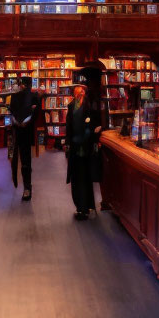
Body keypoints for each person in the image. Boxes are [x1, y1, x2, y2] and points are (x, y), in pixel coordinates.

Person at [65, 68, 107, 220]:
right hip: (75, 148)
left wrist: (93, 132)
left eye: (82, 88)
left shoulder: (91, 105)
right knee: (76, 179)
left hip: (86, 147)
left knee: (85, 178)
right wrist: (68, 143)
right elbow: (69, 126)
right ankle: (79, 206)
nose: (80, 91)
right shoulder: (71, 106)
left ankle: (85, 207)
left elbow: (97, 124)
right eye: (78, 88)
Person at [9, 77, 41, 201]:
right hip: (19, 131)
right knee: (21, 160)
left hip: (23, 132)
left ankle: (27, 187)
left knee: (25, 161)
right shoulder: (18, 96)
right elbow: (12, 111)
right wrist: (20, 121)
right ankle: (26, 187)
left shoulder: (31, 96)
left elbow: (35, 113)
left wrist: (22, 122)